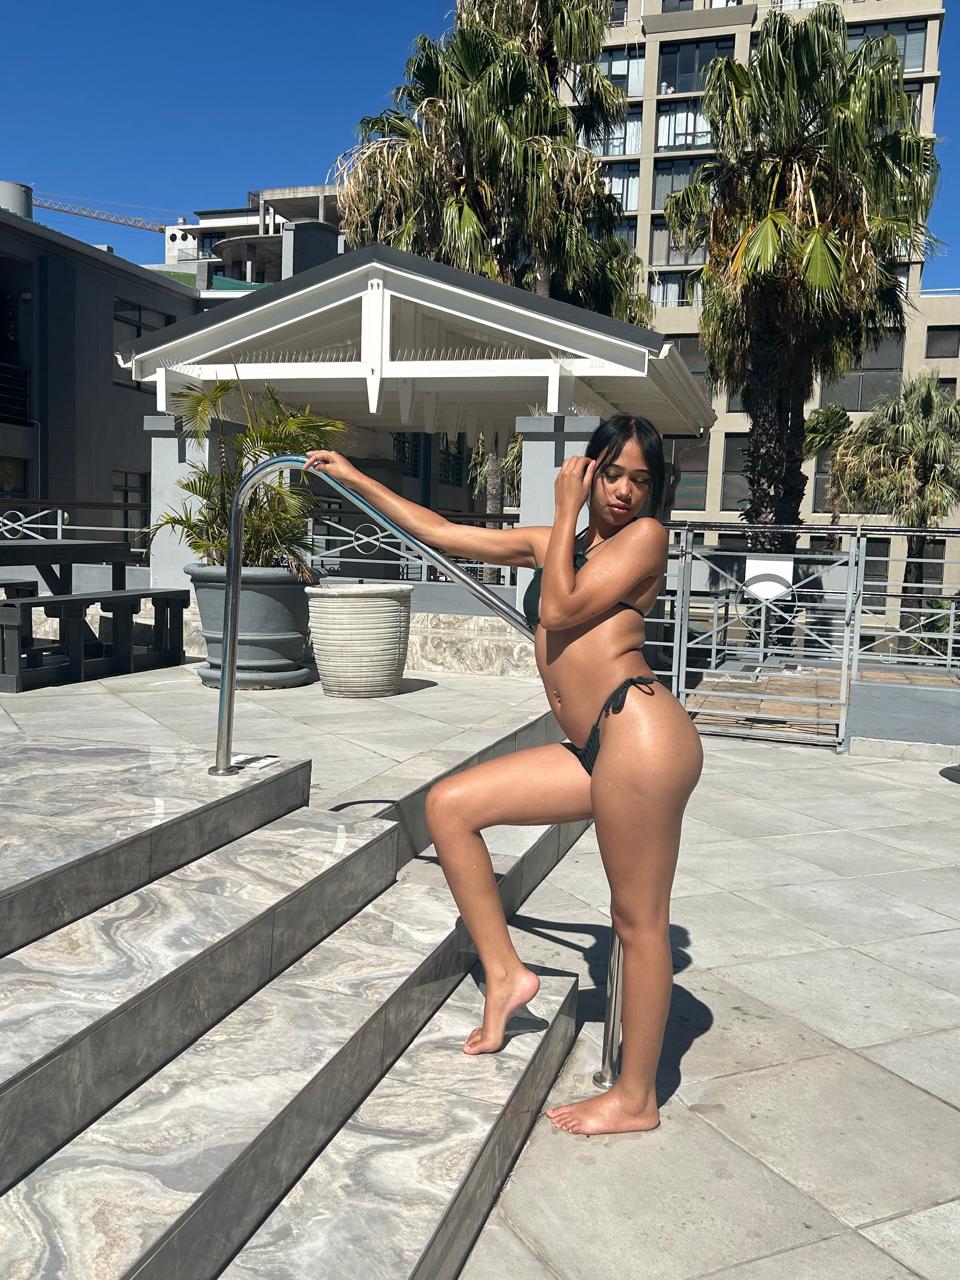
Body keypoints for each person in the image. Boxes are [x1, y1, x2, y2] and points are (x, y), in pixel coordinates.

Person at [303, 415, 703, 1136]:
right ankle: (507, 975)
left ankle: (635, 1098)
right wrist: (356, 478)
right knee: (450, 807)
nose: (624, 491)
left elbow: (560, 607)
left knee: (637, 922)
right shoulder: (562, 544)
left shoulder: (645, 538)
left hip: (640, 736)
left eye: (640, 481)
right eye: (613, 474)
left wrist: (564, 510)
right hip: (595, 746)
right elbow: (440, 531)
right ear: (591, 467)